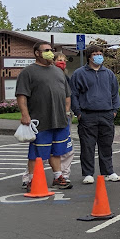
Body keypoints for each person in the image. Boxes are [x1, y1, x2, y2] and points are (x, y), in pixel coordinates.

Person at [16, 41, 72, 190]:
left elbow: (67, 94)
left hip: (59, 119)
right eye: (46, 50)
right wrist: (25, 115)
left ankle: (58, 177)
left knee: (57, 151)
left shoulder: (58, 71)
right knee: (37, 152)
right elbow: (22, 95)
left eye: (51, 50)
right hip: (39, 120)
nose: (50, 53)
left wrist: (67, 111)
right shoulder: (28, 72)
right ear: (37, 53)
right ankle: (33, 180)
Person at [70, 45, 120, 184]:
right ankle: (88, 173)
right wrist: (78, 113)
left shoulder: (109, 74)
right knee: (87, 145)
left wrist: (114, 110)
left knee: (106, 145)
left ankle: (108, 172)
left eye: (100, 53)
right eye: (95, 54)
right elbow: (74, 94)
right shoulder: (79, 73)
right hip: (87, 115)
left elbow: (115, 93)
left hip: (107, 114)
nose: (98, 56)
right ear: (89, 56)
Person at [49, 52, 75, 188]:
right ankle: (30, 177)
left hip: (63, 117)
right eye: (59, 60)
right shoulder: (46, 75)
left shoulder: (65, 77)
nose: (62, 62)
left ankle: (63, 175)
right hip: (46, 117)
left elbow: (68, 96)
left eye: (64, 60)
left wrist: (68, 112)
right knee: (42, 148)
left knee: (66, 148)